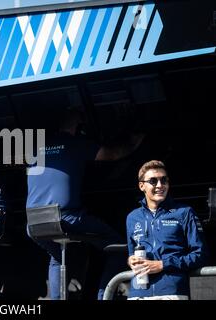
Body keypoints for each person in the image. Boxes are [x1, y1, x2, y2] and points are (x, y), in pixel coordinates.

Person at [26, 108, 144, 300]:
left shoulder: (37, 148)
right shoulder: (75, 144)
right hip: (65, 217)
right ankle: (103, 296)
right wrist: (133, 142)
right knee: (118, 246)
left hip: (33, 222)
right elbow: (112, 154)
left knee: (57, 257)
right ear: (80, 128)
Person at [126, 160, 208, 300]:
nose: (160, 185)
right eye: (153, 181)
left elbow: (200, 255)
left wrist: (163, 264)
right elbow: (131, 253)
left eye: (164, 180)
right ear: (142, 186)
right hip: (138, 293)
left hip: (172, 291)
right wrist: (130, 260)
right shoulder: (132, 217)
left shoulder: (184, 212)